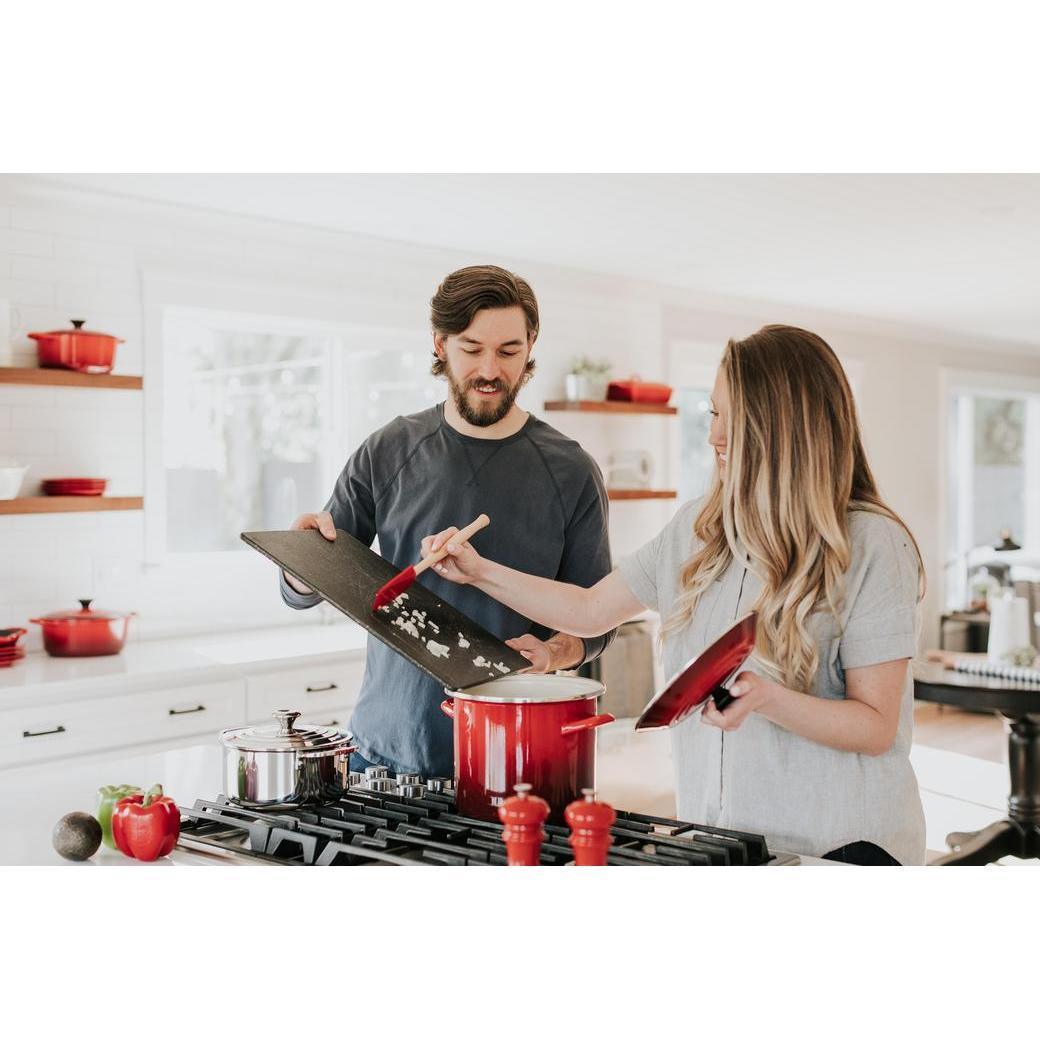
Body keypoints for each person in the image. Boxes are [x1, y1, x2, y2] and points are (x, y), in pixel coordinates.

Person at [422, 325, 927, 865]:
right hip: (724, 843)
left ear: (788, 427)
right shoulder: (698, 530)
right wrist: (478, 571)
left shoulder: (873, 543)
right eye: (713, 414)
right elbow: (590, 610)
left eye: (736, 418)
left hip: (842, 849)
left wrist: (769, 698)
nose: (715, 436)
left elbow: (876, 727)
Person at [280, 264, 615, 779]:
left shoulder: (571, 471)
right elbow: (311, 582)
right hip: (382, 753)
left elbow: (597, 623)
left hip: (514, 757)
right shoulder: (388, 449)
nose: (490, 370)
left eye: (508, 351)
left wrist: (552, 652)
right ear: (440, 344)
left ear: (530, 347)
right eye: (472, 348)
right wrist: (299, 563)